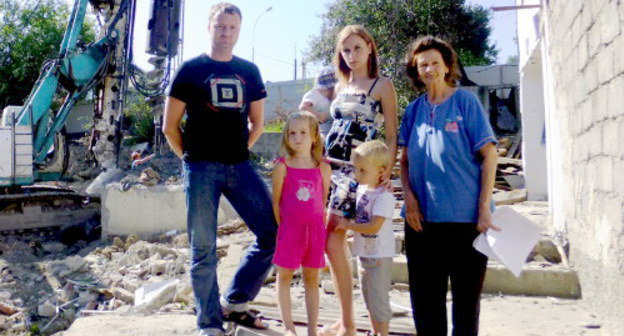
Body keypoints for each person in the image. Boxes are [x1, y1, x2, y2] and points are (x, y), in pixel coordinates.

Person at [162, 3, 277, 336]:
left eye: (232, 28)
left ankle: (235, 301)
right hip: (200, 169)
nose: (225, 33)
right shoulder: (190, 70)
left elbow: (258, 123)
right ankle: (209, 324)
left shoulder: (249, 71)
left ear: (238, 31)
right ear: (209, 28)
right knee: (203, 249)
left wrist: (239, 149)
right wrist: (192, 159)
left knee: (272, 233)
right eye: (220, 26)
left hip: (239, 166)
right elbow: (170, 126)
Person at [398, 36, 500, 336]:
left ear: (446, 66)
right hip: (421, 224)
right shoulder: (414, 110)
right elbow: (404, 162)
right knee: (426, 305)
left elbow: (490, 155)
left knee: (466, 308)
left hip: (466, 222)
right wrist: (410, 200)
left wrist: (484, 208)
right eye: (422, 64)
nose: (429, 69)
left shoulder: (464, 102)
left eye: (434, 63)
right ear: (416, 71)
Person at [322, 25, 398, 336]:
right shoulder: (340, 88)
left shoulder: (382, 86)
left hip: (357, 173)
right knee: (333, 246)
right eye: (345, 50)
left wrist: (384, 173)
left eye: (356, 48)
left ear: (369, 47)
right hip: (331, 170)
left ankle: (350, 324)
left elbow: (391, 136)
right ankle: (346, 320)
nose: (351, 55)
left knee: (335, 242)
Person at [272, 111, 332, 336]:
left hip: (315, 231)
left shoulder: (323, 167)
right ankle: (288, 327)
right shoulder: (282, 166)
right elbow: (276, 202)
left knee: (311, 278)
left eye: (303, 133)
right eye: (292, 133)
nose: (298, 137)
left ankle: (312, 329)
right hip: (290, 231)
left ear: (314, 136)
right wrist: (285, 228)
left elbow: (322, 200)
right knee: (285, 276)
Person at [336, 140, 396, 336]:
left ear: (381, 170)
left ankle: (383, 333)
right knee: (368, 296)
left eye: (363, 171)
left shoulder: (384, 196)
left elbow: (374, 226)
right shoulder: (362, 189)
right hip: (364, 253)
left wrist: (348, 226)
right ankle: (374, 331)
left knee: (379, 298)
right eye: (357, 169)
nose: (358, 175)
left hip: (379, 255)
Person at [299, 68, 338, 136]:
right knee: (323, 133)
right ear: (319, 88)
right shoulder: (314, 94)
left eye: (333, 88)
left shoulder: (337, 94)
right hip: (319, 124)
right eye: (328, 89)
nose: (331, 91)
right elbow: (303, 107)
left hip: (334, 123)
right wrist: (317, 115)